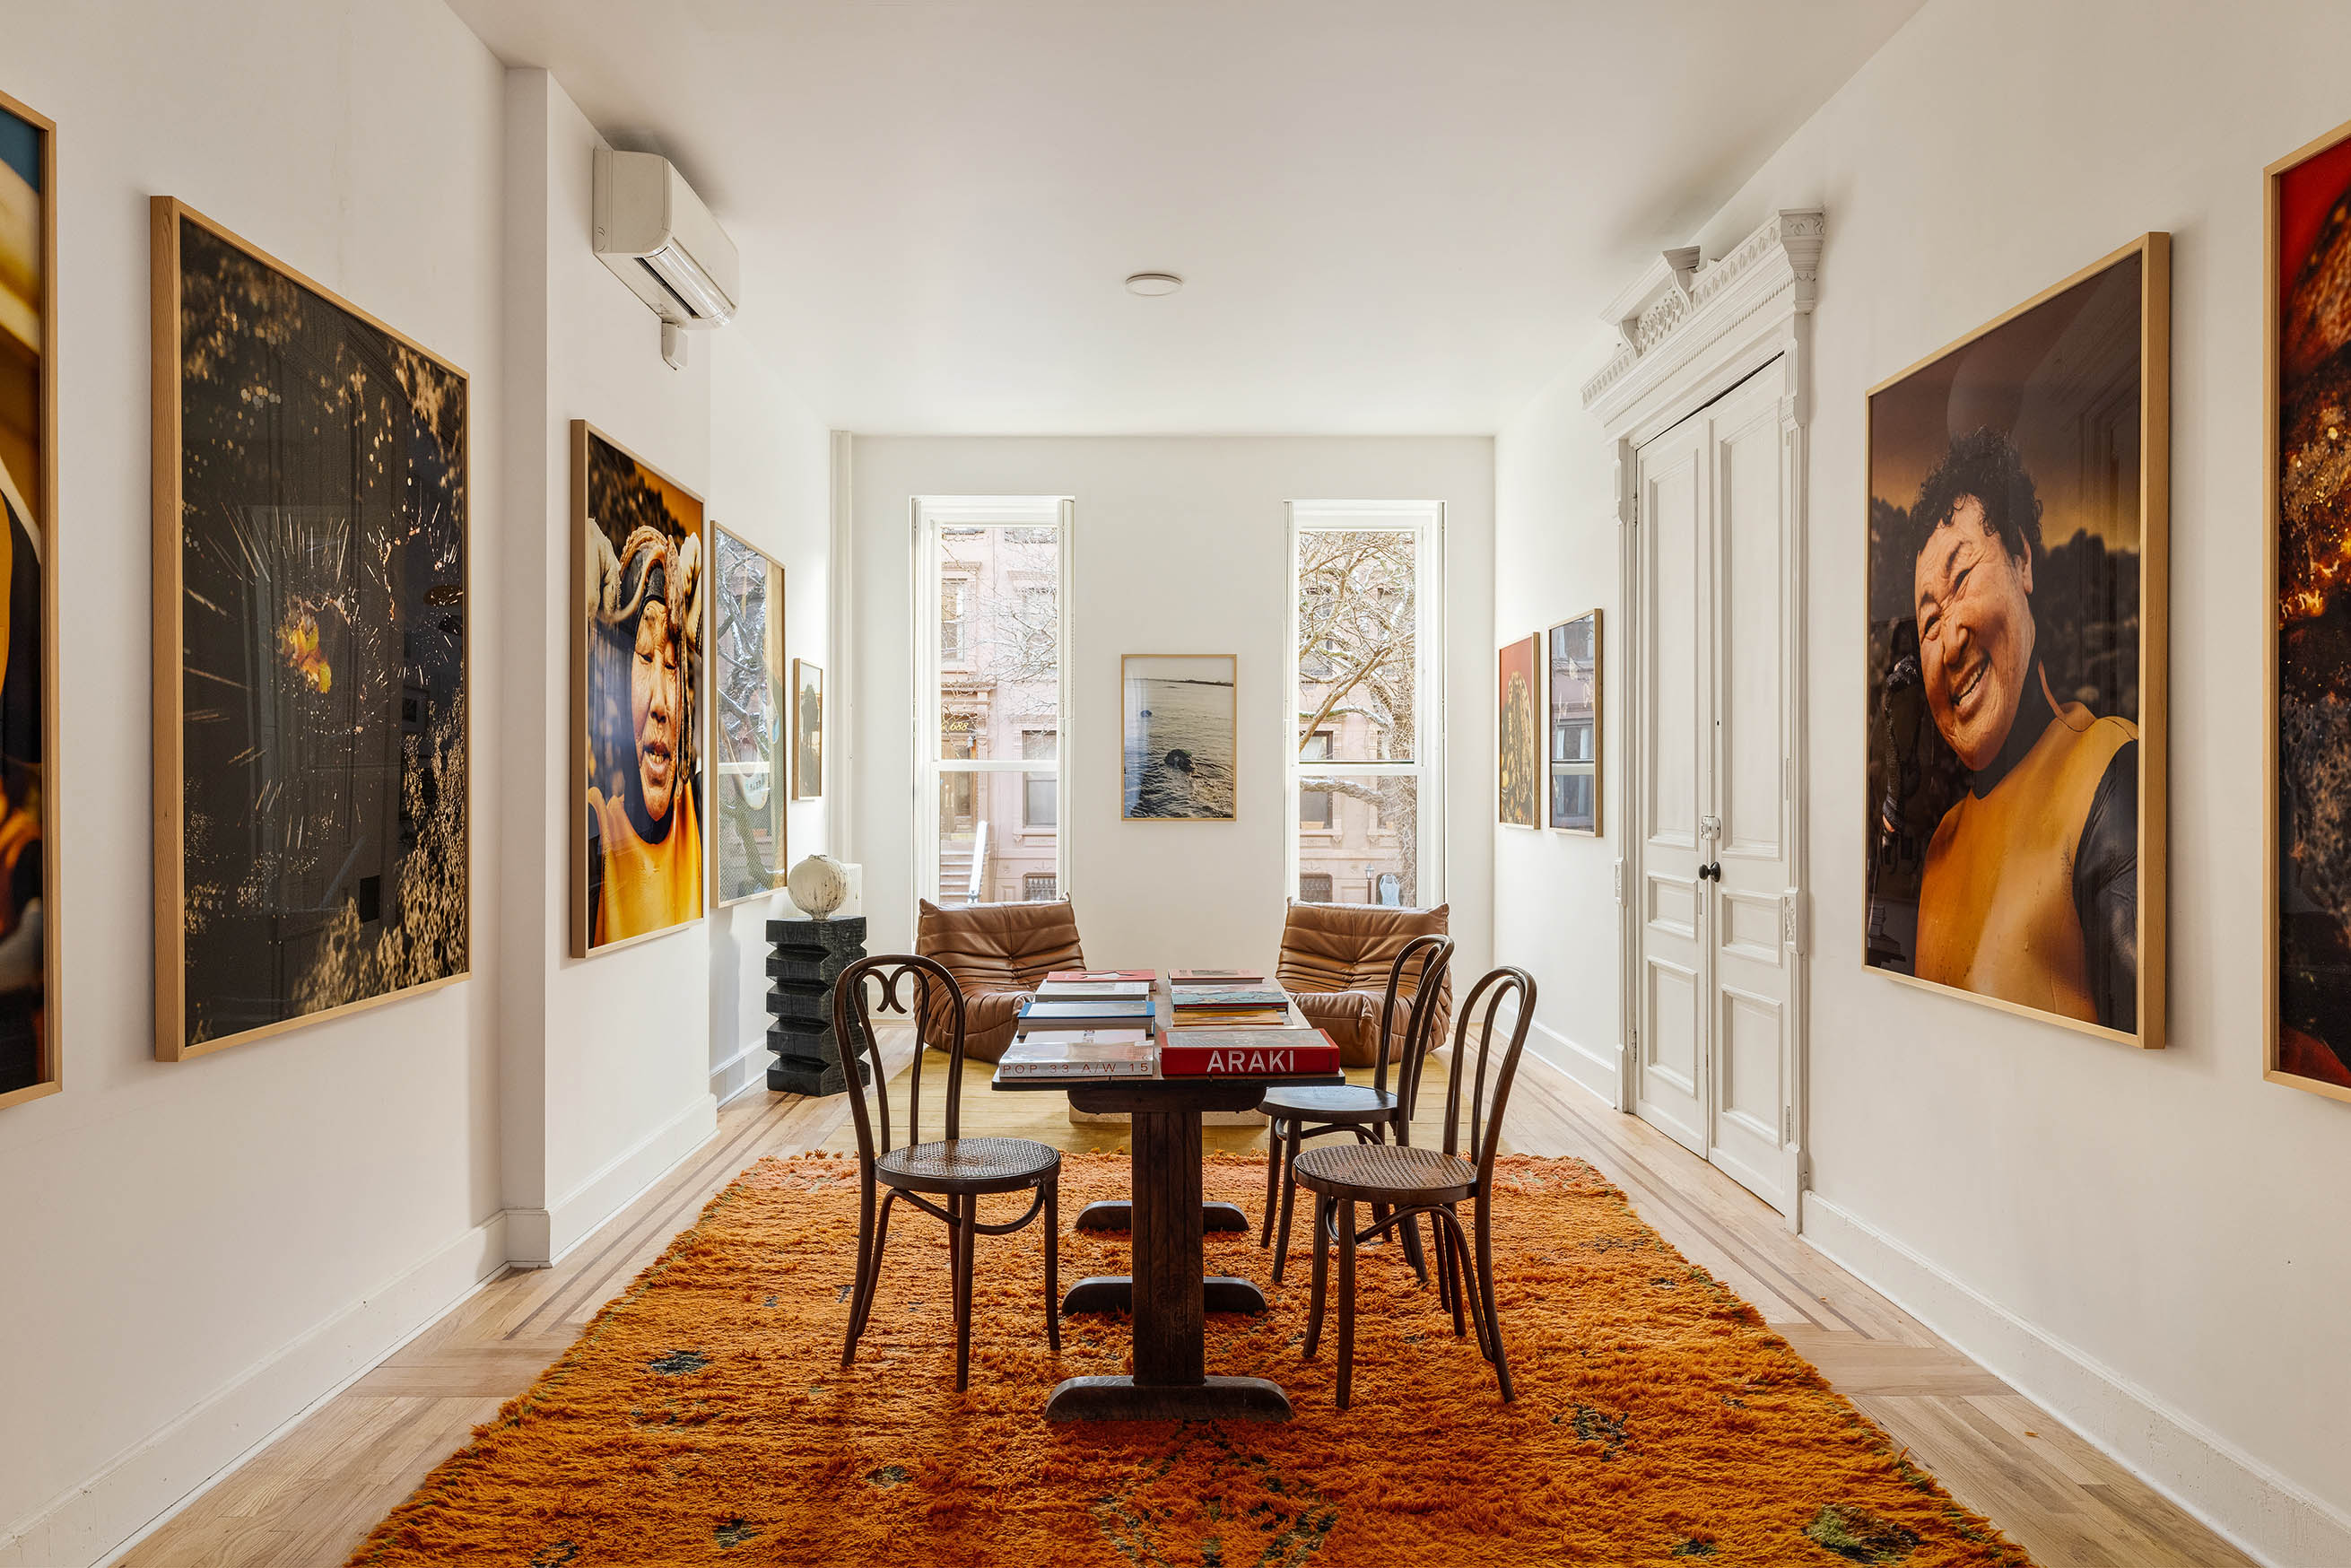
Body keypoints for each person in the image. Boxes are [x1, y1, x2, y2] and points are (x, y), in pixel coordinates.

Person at [1905, 429, 2138, 1030]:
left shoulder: (2108, 770)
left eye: (1960, 580)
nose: (1950, 638)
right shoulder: (1941, 846)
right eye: (1929, 621)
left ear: (2022, 561)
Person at [586, 523, 702, 945]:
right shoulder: (592, 830)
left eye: (672, 665)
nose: (660, 704)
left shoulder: (699, 817)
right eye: (644, 655)